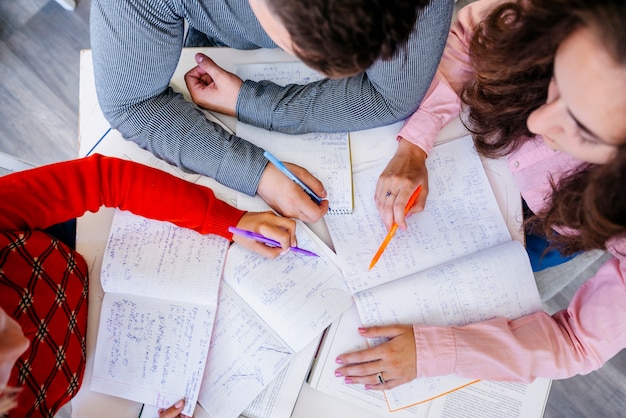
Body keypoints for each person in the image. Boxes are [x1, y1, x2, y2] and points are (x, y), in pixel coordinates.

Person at [334, 0, 626, 389]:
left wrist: (437, 352)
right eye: (559, 79)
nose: (538, 121)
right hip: (472, 137)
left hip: (550, 223)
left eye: (583, 130)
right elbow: (473, 38)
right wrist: (416, 142)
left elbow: (578, 343)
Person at [90, 0, 455, 224]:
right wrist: (257, 173)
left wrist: (251, 103)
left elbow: (389, 96)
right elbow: (131, 103)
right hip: (212, 39)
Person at [0, 154, 299, 417]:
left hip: (72, 252)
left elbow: (103, 179)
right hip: (101, 379)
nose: (22, 342)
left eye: (2, 324)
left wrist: (227, 220)